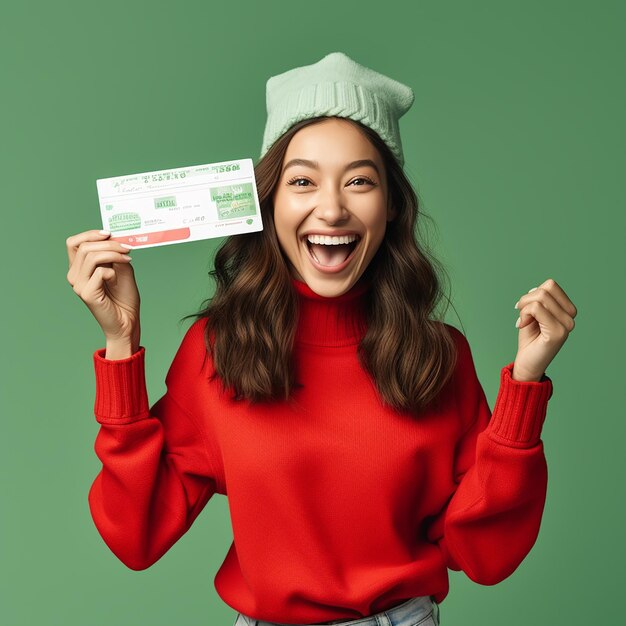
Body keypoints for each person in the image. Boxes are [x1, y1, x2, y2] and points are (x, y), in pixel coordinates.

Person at [65, 52, 577, 626]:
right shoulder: (218, 349)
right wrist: (121, 344)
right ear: (270, 203)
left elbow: (485, 555)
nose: (331, 209)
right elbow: (136, 536)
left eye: (359, 181)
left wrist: (524, 391)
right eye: (303, 181)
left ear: (391, 208)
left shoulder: (438, 356)